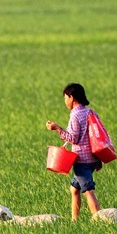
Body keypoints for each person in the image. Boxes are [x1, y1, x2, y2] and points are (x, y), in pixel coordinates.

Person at [46, 83, 102, 220]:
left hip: (82, 160)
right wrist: (99, 157)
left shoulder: (75, 115)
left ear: (72, 98)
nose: (65, 101)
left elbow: (73, 138)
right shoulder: (91, 112)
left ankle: (100, 219)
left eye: (65, 98)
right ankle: (74, 220)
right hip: (93, 158)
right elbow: (97, 135)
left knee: (88, 191)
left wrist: (57, 128)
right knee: (74, 189)